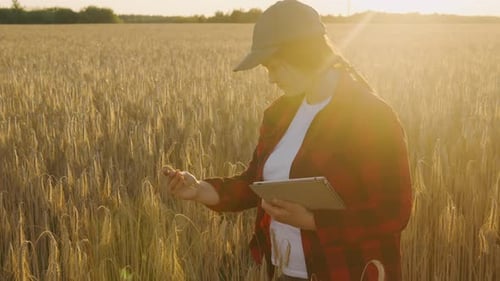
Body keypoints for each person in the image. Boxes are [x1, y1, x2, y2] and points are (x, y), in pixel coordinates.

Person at [162, 0, 413, 280]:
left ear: (302, 54)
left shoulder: (370, 115)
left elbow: (393, 212)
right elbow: (256, 184)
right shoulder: (279, 114)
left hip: (347, 271)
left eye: (275, 66)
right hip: (282, 271)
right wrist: (200, 190)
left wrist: (313, 221)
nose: (270, 78)